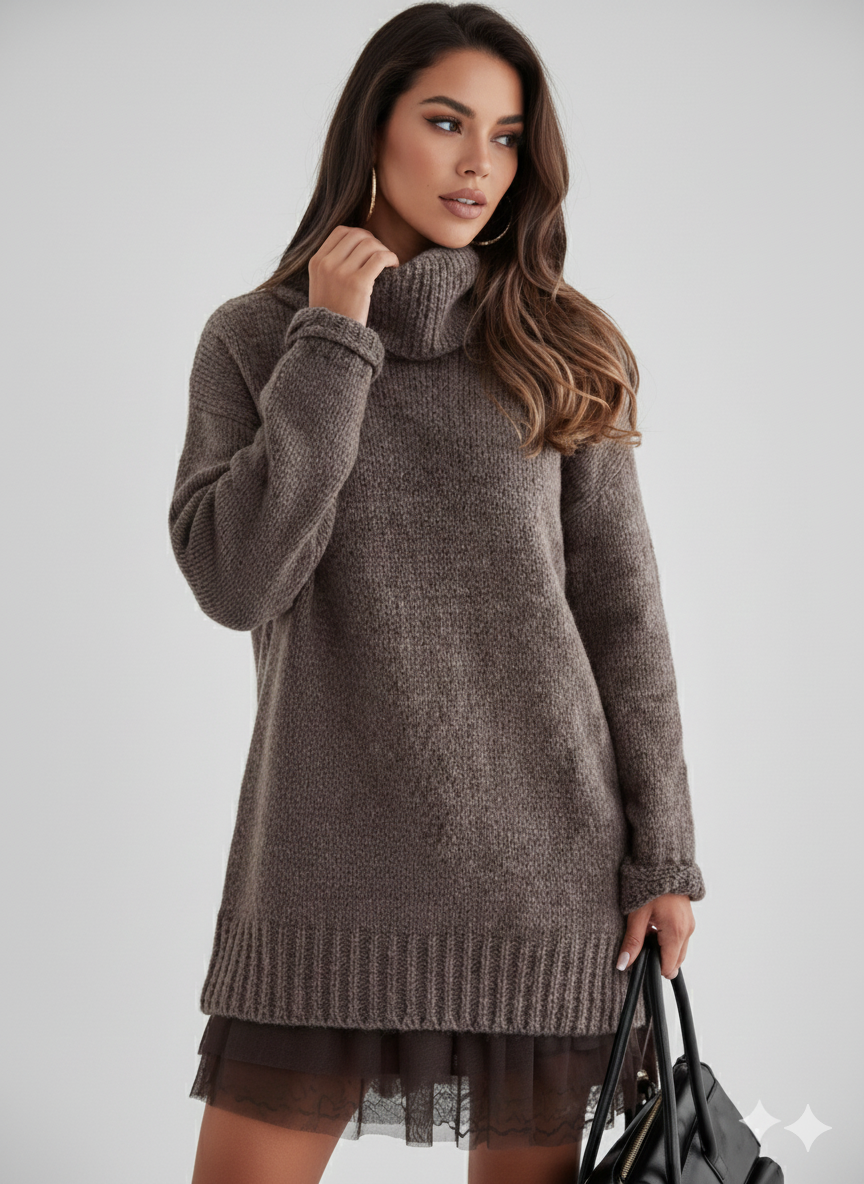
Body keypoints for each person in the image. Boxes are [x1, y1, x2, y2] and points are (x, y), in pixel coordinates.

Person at [169, 4, 706, 1182]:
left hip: (545, 880)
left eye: (507, 137)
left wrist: (664, 852)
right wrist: (333, 338)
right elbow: (235, 577)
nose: (479, 165)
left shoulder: (560, 343)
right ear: (375, 128)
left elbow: (624, 617)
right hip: (321, 879)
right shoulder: (258, 339)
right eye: (448, 122)